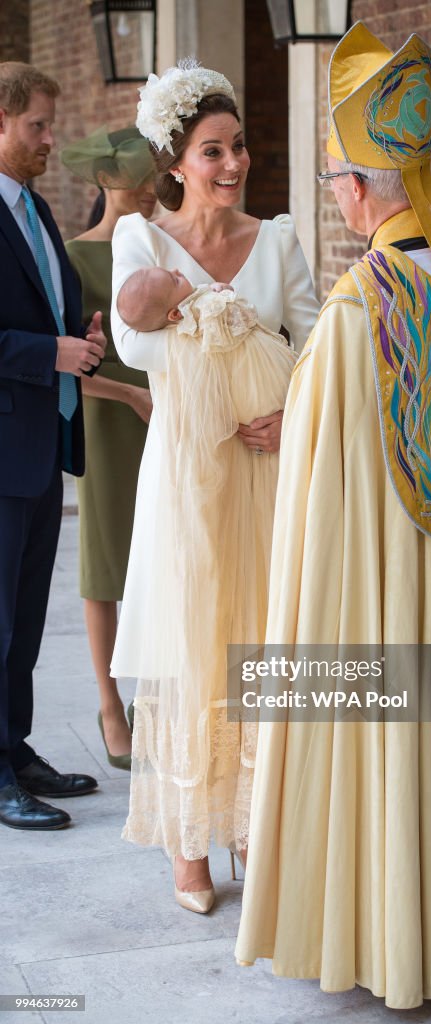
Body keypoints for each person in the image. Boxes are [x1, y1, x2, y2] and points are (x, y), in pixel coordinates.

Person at [234, 23, 431, 1009]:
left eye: (334, 183)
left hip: (382, 590)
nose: (335, 199)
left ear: (361, 188)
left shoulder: (356, 314)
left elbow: (317, 514)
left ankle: (396, 932)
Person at [110, 60, 320, 912]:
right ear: (174, 162)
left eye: (239, 147)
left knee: (264, 635)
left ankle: (252, 826)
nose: (232, 165)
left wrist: (296, 413)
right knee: (196, 642)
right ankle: (190, 846)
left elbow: (313, 345)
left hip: (266, 466)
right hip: (190, 471)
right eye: (212, 151)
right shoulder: (141, 241)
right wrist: (186, 313)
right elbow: (135, 346)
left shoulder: (277, 239)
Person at [0, 62, 107, 831]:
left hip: (39, 448)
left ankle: (16, 747)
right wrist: (50, 356)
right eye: (37, 125)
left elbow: (48, 309)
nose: (49, 139)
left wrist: (83, 337)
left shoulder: (35, 209)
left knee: (26, 618)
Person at [60, 126, 156, 772]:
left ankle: (154, 699)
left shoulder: (162, 247)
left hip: (165, 414)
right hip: (107, 419)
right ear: (104, 180)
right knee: (104, 566)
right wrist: (128, 398)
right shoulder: (74, 257)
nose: (147, 189)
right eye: (134, 176)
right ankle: (109, 703)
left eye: (153, 175)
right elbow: (69, 363)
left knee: (158, 559)